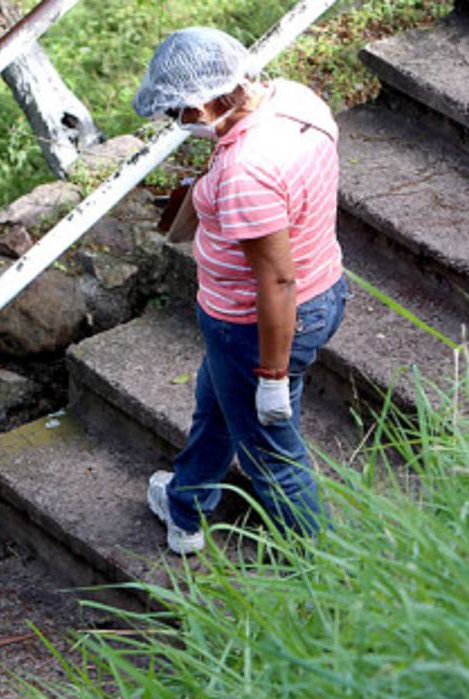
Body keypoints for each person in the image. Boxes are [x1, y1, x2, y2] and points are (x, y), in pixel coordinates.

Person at [133, 27, 348, 555]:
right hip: (324, 288)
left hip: (257, 327)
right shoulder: (296, 100)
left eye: (177, 113)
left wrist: (271, 376)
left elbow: (276, 280)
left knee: (271, 455)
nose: (179, 123)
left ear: (200, 105)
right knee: (217, 404)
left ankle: (322, 567)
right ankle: (186, 507)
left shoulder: (246, 171)